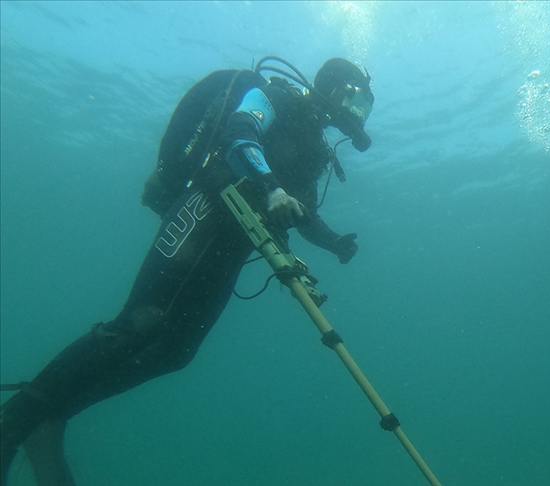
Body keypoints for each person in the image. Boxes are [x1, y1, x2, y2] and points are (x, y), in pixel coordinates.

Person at [0, 56, 375, 485]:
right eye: (354, 99)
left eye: (364, 107)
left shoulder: (315, 149)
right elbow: (239, 133)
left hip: (235, 245)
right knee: (143, 321)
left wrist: (333, 242)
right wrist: (271, 188)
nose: (356, 113)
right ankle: (15, 420)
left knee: (177, 352)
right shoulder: (273, 96)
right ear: (331, 87)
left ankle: (51, 416)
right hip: (205, 211)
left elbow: (301, 209)